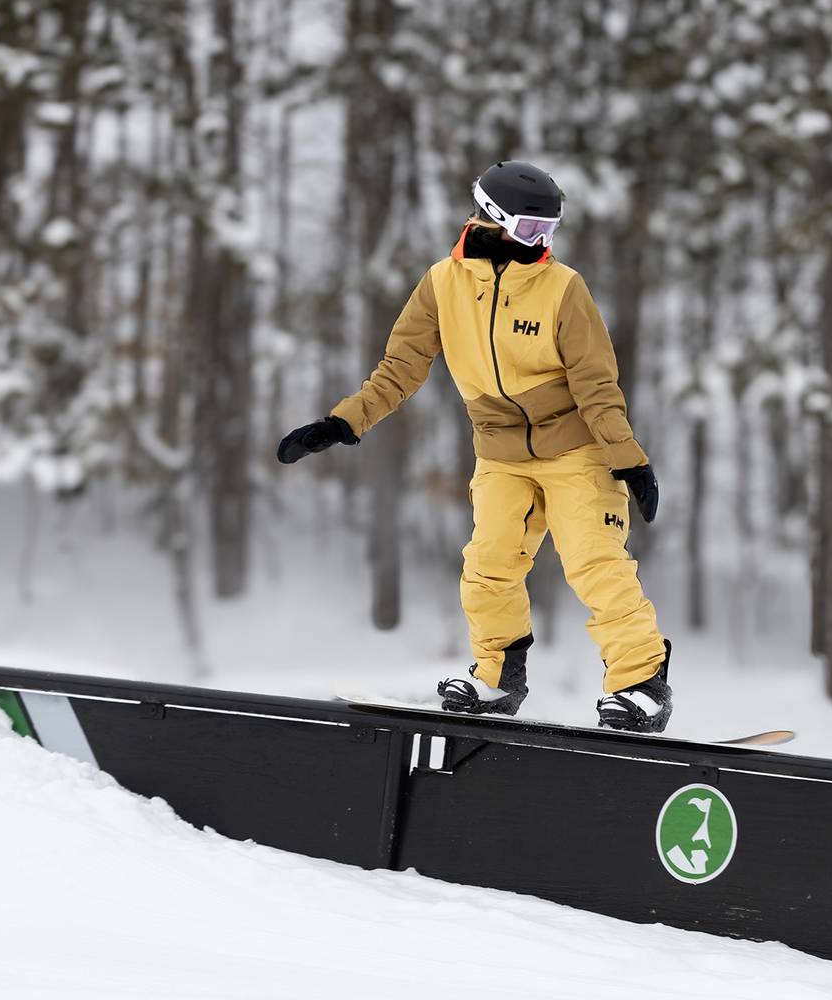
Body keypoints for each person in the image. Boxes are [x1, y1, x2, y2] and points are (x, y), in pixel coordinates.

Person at [276, 161, 672, 732]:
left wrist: (627, 457)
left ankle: (641, 683)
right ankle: (498, 677)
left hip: (576, 450)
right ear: (493, 217)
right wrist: (342, 422)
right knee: (488, 567)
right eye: (533, 229)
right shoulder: (442, 283)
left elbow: (596, 384)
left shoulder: (563, 288)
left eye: (550, 231)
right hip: (500, 454)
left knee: (595, 564)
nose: (543, 243)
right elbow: (399, 369)